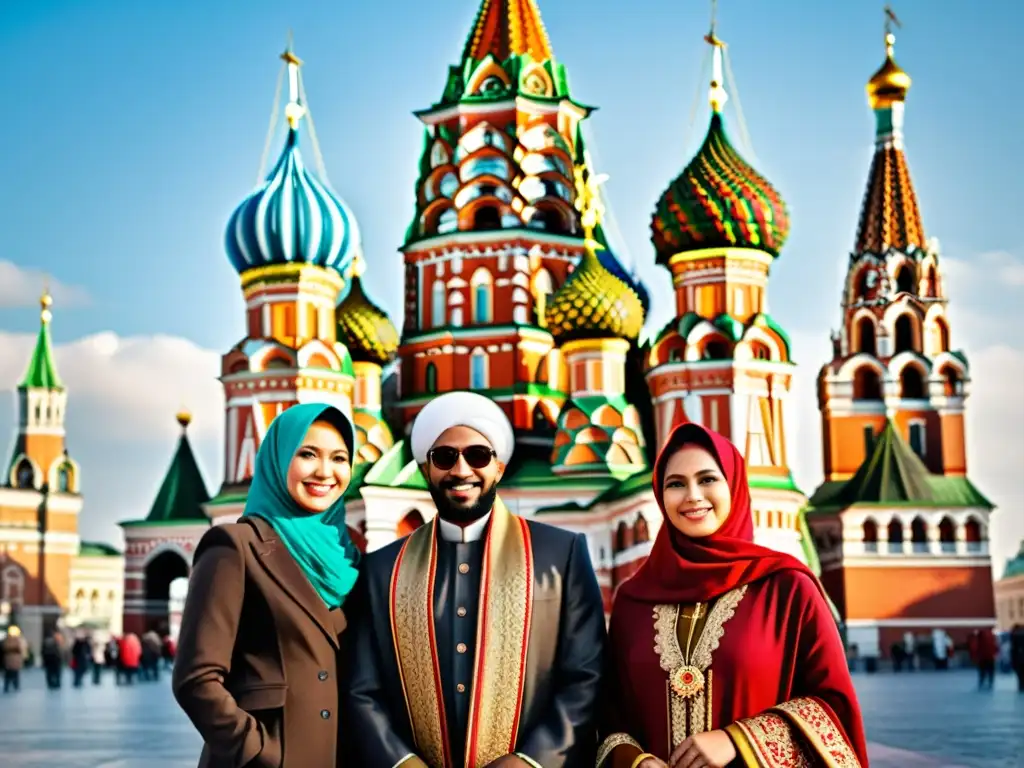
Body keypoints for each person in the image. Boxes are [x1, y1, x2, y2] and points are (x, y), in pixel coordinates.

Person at [345, 391, 607, 768]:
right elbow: (362, 690)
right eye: (445, 457)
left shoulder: (559, 554)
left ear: (499, 467)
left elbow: (586, 677)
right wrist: (402, 762)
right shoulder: (383, 569)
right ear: (425, 469)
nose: (461, 470)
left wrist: (531, 761)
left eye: (478, 456)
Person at [598, 423, 868, 768]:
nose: (693, 495)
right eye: (675, 484)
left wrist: (739, 739)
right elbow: (609, 716)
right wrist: (635, 761)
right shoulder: (632, 601)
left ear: (734, 487)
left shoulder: (786, 587)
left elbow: (832, 708)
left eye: (708, 479)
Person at [173, 403, 361, 767]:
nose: (325, 471)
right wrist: (260, 752)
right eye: (307, 454)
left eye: (339, 458)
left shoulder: (349, 560)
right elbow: (196, 678)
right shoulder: (236, 546)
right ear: (277, 460)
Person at [2, 626, 27, 693]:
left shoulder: (7, 640)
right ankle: (14, 685)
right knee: (13, 674)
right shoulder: (17, 640)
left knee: (10, 674)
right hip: (13, 660)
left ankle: (10, 686)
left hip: (10, 660)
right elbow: (22, 649)